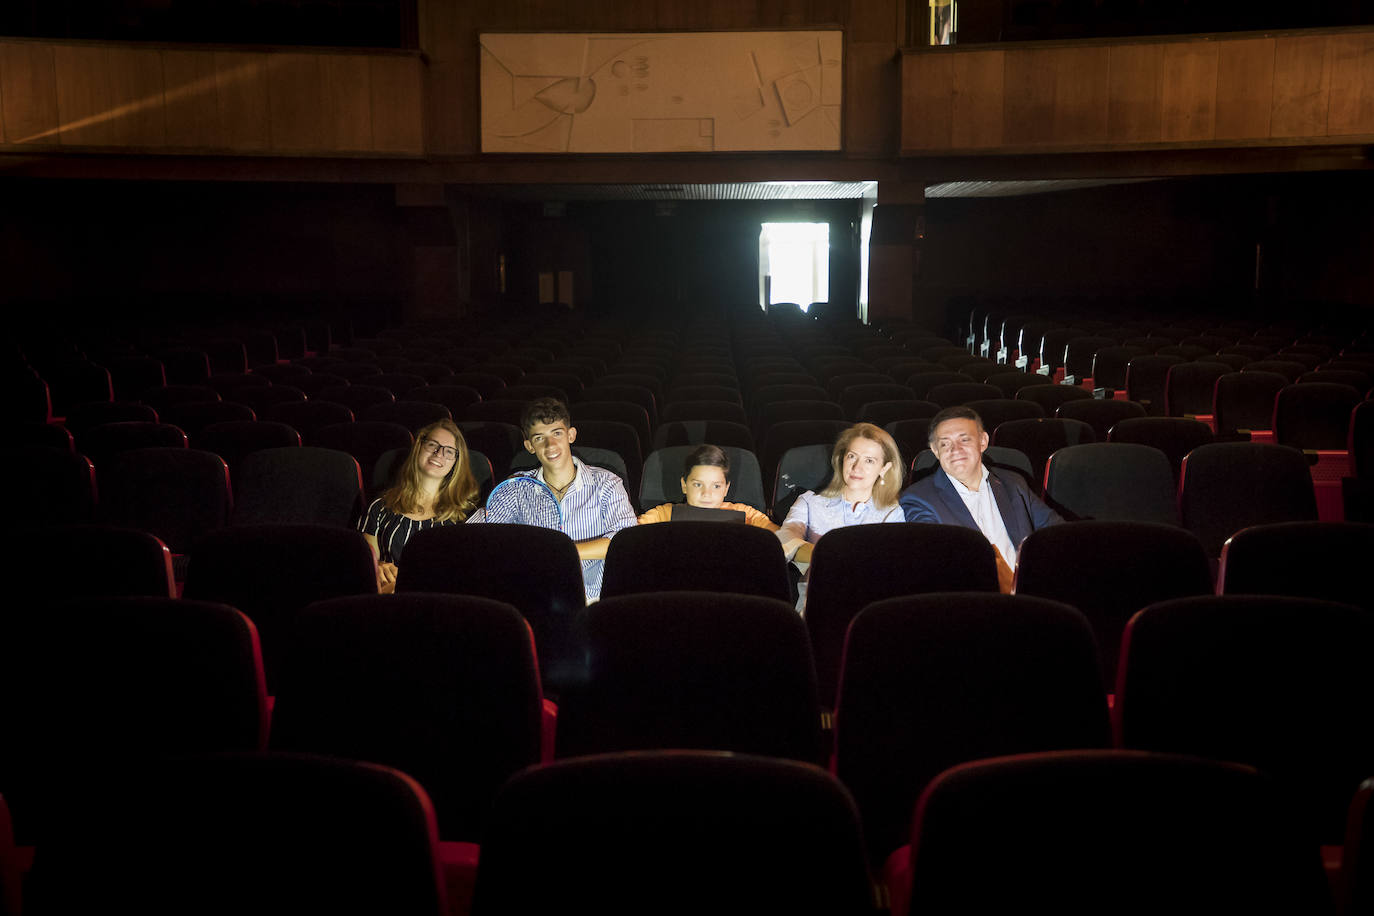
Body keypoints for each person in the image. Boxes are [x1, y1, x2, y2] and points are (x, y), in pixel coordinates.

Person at [471, 397, 636, 602]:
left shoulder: (606, 483)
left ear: (571, 435)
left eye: (556, 433)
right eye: (539, 438)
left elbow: (625, 542)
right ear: (529, 446)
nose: (550, 445)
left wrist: (558, 552)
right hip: (535, 598)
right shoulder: (516, 487)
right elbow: (486, 538)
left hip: (593, 599)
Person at [899, 405, 1062, 591]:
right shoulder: (918, 498)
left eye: (964, 440)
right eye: (945, 444)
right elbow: (938, 565)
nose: (955, 449)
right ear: (935, 451)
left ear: (983, 441)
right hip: (973, 603)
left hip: (1033, 593)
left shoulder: (1013, 483)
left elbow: (1056, 532)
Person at [777, 423, 905, 608]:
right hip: (816, 602)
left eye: (869, 460)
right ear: (842, 459)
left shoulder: (892, 513)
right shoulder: (810, 502)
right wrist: (829, 558)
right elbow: (787, 538)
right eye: (852, 456)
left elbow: (890, 567)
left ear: (884, 469)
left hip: (870, 605)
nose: (856, 467)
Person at [358, 418, 479, 594]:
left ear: (455, 463)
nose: (439, 454)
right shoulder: (380, 507)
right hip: (386, 599)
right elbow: (366, 568)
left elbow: (465, 575)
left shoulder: (467, 515)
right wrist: (379, 567)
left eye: (449, 451)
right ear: (419, 448)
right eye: (432, 445)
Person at [636, 443, 778, 530]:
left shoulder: (747, 515)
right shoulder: (664, 515)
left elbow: (782, 539)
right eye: (698, 484)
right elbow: (629, 536)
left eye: (716, 486)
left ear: (726, 489)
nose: (706, 493)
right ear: (684, 485)